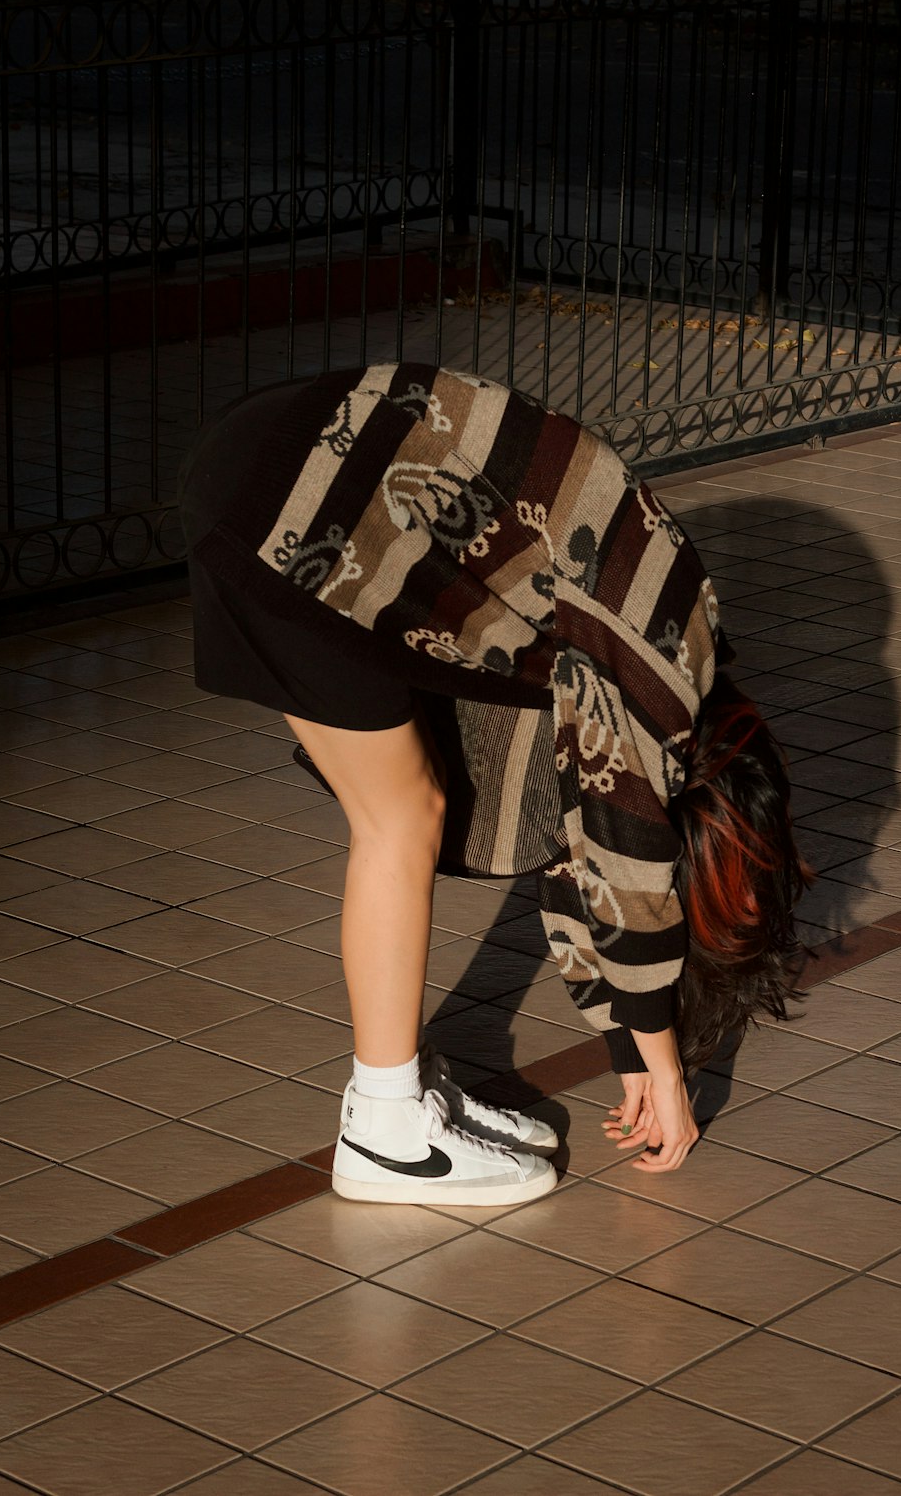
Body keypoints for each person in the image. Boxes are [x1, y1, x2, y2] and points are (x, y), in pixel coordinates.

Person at [179, 363, 810, 1207]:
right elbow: (624, 845)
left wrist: (629, 1048)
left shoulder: (668, 658)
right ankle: (387, 1131)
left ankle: (405, 1088)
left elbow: (579, 837)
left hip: (273, 456)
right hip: (301, 503)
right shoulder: (666, 673)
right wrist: (661, 1061)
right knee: (402, 818)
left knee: (409, 808)